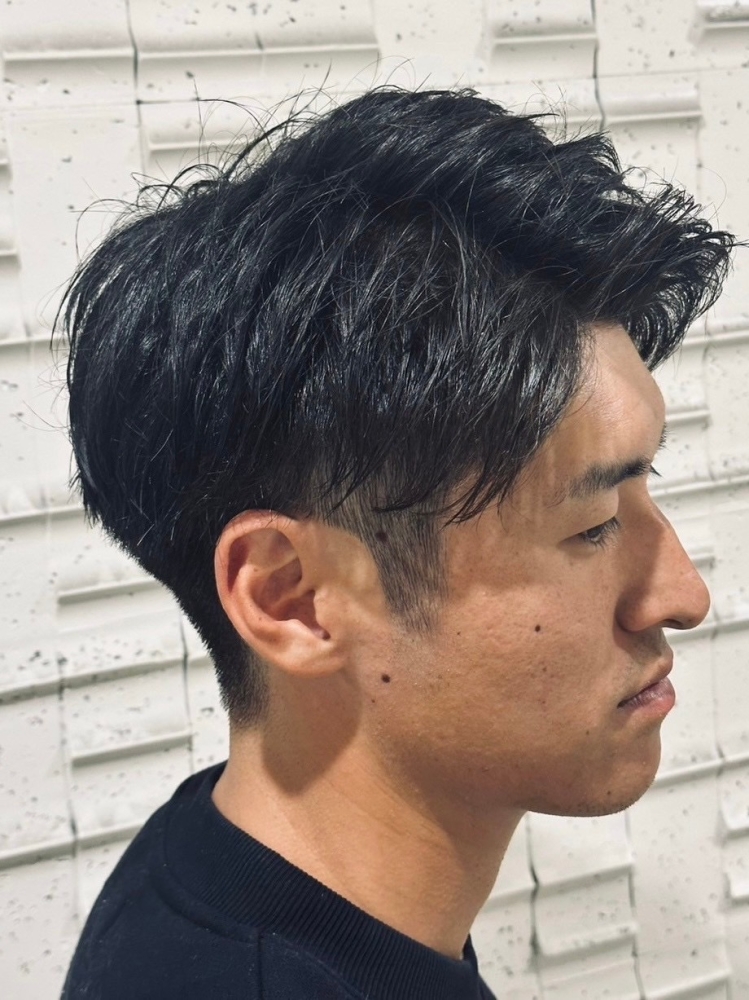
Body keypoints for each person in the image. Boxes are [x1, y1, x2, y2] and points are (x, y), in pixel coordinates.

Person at [60, 87, 734, 999]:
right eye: (591, 526)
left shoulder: (215, 857)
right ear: (292, 598)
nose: (682, 594)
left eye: (640, 490)